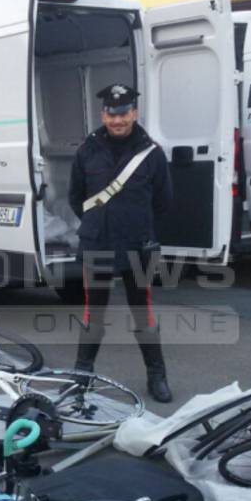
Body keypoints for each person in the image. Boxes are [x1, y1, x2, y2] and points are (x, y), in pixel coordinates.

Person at [68, 83, 174, 403]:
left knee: (143, 313)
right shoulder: (87, 150)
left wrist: (135, 225)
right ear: (103, 114)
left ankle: (157, 377)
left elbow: (163, 201)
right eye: (111, 115)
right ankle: (81, 376)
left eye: (123, 114)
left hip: (136, 245)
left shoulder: (151, 153)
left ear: (134, 113)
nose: (117, 121)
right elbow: (76, 198)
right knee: (93, 314)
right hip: (98, 243)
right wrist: (98, 223)